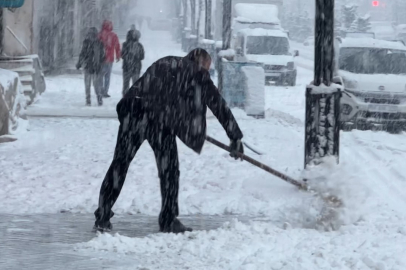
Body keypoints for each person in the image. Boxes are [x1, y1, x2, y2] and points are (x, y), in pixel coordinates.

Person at [93, 48, 244, 233]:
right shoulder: (198, 74)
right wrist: (235, 136)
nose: (207, 71)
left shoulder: (166, 61)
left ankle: (103, 214)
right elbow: (219, 106)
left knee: (120, 165)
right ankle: (168, 219)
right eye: (207, 67)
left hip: (133, 113)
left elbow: (146, 87)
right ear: (202, 63)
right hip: (159, 122)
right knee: (169, 171)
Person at [76, 27, 105, 106]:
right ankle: (94, 99)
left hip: (92, 66)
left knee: (92, 84)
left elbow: (102, 55)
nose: (91, 36)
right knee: (92, 84)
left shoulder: (97, 43)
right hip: (92, 66)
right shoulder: (93, 43)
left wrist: (80, 63)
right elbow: (102, 55)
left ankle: (94, 98)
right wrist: (79, 62)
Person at [99, 20, 121, 98]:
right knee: (107, 76)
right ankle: (105, 91)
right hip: (109, 58)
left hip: (101, 59)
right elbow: (117, 46)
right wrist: (118, 56)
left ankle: (100, 90)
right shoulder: (113, 35)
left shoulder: (100, 35)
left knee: (100, 75)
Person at [122, 29, 145, 96]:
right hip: (136, 68)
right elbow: (142, 57)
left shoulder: (125, 45)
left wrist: (128, 56)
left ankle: (125, 98)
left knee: (126, 85)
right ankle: (135, 97)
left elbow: (122, 55)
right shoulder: (139, 45)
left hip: (126, 67)